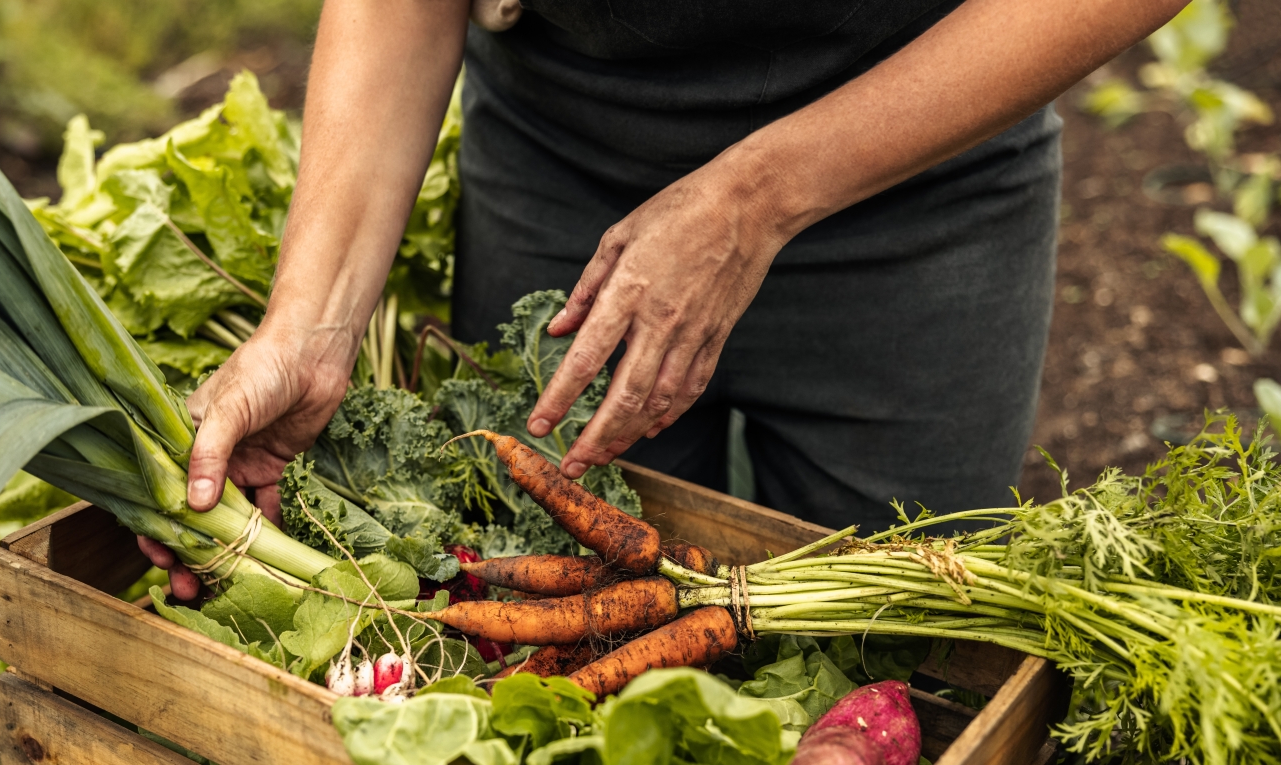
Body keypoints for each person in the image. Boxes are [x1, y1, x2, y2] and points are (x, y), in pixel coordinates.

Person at [139, 0, 1189, 599]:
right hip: (565, 160)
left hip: (918, 183)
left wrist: (756, 197)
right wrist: (313, 326)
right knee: (535, 606)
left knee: (894, 659)